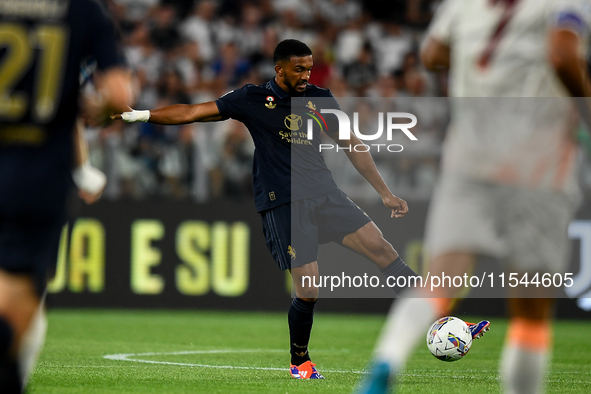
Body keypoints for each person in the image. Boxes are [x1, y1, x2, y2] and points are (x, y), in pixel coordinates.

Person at [113, 38, 419, 380]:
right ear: (280, 69)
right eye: (298, 69)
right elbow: (192, 112)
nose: (305, 75)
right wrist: (140, 114)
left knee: (381, 247)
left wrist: (385, 193)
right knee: (309, 288)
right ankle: (299, 360)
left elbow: (352, 144)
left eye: (309, 67)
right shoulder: (252, 98)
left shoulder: (320, 98)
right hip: (283, 201)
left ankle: (442, 323)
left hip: (324, 193)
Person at [358, 0, 591, 393]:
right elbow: (564, 53)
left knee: (439, 279)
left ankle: (386, 362)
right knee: (530, 312)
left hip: (470, 156)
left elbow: (432, 54)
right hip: (538, 162)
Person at [0, 0, 133, 392]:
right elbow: (118, 91)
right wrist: (98, 111)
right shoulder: (82, 11)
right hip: (36, 178)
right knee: (18, 295)